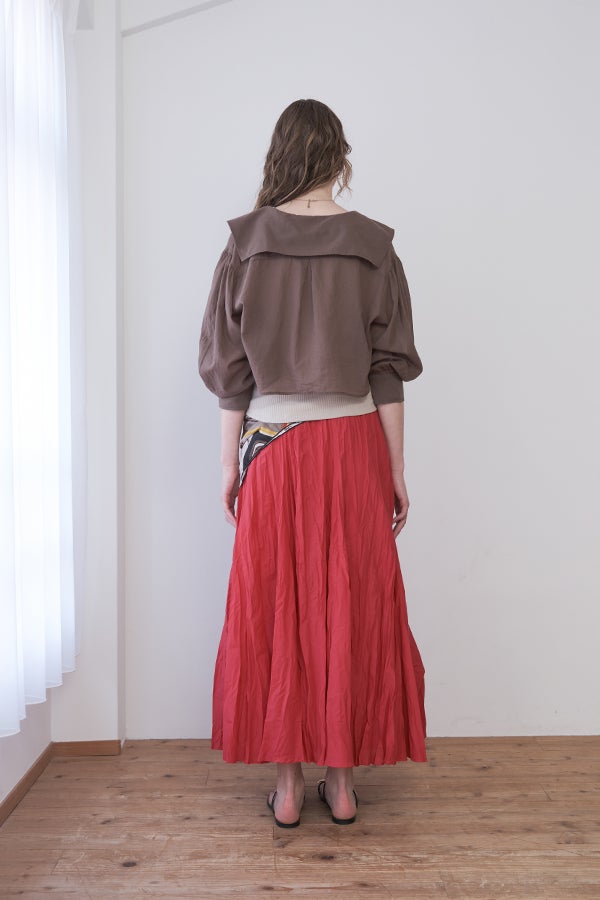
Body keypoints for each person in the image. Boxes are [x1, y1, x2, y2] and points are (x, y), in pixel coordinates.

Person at [198, 98, 427, 828]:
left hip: (272, 448)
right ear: (339, 158)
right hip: (353, 445)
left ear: (280, 157)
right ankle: (343, 783)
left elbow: (231, 375)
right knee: (348, 603)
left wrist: (229, 465)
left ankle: (289, 787)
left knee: (278, 606)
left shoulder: (244, 246)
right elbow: (387, 372)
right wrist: (395, 469)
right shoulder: (374, 246)